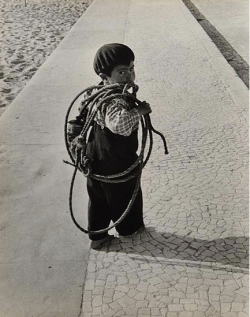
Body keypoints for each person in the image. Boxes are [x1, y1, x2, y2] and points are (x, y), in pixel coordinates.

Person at [80, 43, 151, 249]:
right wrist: (140, 111)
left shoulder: (95, 92)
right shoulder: (116, 99)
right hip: (115, 158)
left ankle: (98, 237)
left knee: (99, 199)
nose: (129, 75)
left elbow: (82, 113)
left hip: (95, 155)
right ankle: (130, 230)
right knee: (125, 194)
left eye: (131, 69)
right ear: (105, 76)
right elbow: (119, 125)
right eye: (122, 72)